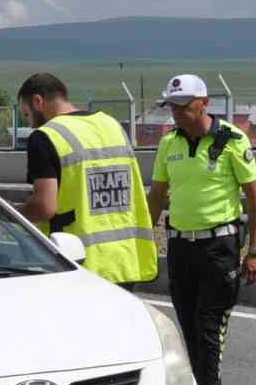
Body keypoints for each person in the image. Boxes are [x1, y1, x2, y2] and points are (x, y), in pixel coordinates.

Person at [145, 74, 256, 385]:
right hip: (182, 245)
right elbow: (156, 197)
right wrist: (142, 239)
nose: (177, 114)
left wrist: (255, 250)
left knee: (210, 326)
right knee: (190, 329)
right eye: (172, 108)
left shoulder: (232, 141)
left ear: (204, 103)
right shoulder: (169, 144)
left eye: (183, 107)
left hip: (220, 247)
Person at [16, 72, 157, 287]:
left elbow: (44, 207)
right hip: (125, 260)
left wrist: (9, 212)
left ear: (38, 101)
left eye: (27, 115)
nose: (31, 124)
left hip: (79, 263)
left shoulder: (45, 137)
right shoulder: (112, 125)